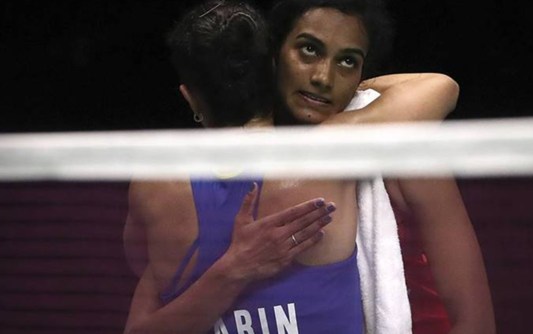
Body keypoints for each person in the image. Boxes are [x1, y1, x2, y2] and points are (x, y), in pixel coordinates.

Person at [124, 1, 494, 333]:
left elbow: (475, 323)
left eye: (347, 61)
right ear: (273, 56)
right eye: (309, 50)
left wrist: (363, 97)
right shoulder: (194, 186)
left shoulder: (405, 153)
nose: (323, 77)